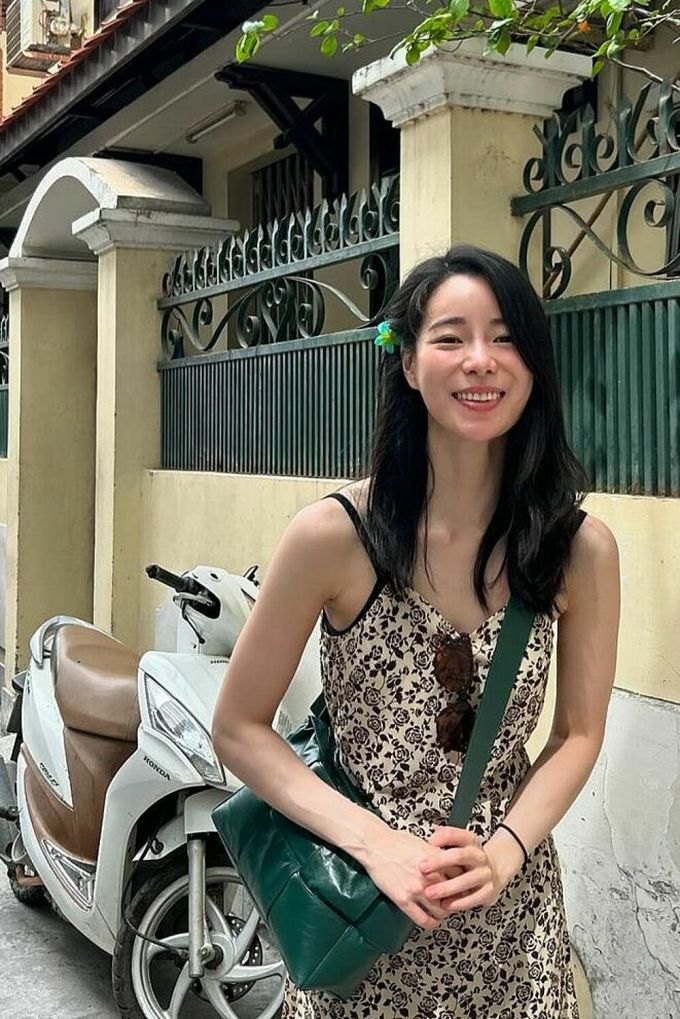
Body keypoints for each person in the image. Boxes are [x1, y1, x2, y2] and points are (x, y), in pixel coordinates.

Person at [212, 245, 620, 1018]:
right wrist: (377, 843)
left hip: (512, 939)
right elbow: (237, 727)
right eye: (451, 337)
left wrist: (504, 851)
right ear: (407, 362)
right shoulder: (334, 537)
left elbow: (577, 733)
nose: (480, 360)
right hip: (357, 925)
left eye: (505, 338)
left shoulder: (577, 549)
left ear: (534, 365)